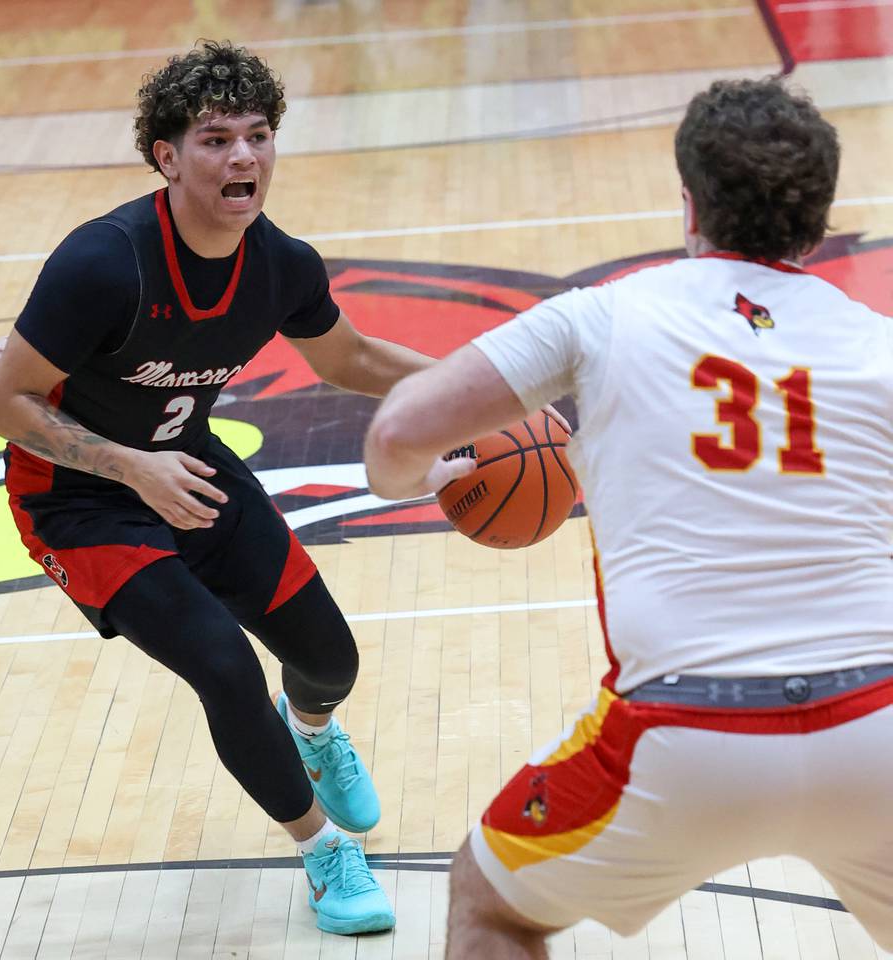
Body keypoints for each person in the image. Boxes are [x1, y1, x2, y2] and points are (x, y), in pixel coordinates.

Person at [0, 40, 561, 936]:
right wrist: (131, 466)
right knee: (222, 665)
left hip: (192, 464)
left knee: (330, 661)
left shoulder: (281, 264)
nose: (243, 157)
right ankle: (322, 849)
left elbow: (354, 357)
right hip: (78, 498)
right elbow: (6, 402)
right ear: (166, 158)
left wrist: (492, 394)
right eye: (215, 140)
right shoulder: (104, 263)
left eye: (257, 136)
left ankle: (315, 735)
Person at [364, 77, 893, 957]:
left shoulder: (603, 315)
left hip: (683, 741)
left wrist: (420, 483)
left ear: (689, 203)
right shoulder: (879, 344)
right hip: (878, 724)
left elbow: (398, 431)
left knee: (488, 902)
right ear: (821, 217)